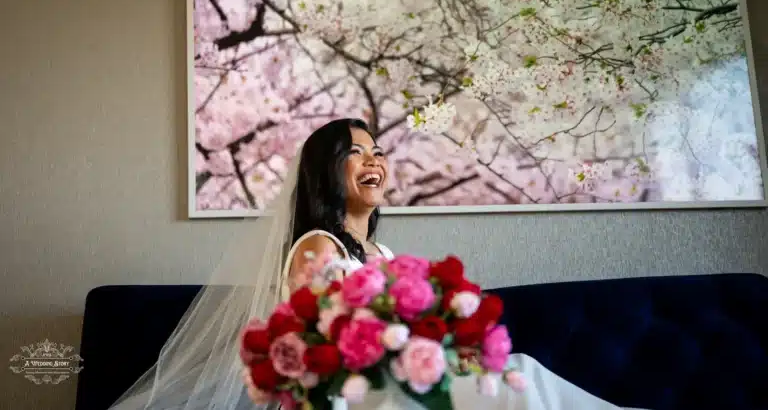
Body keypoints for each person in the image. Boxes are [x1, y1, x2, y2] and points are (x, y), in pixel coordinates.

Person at [111, 118, 647, 410]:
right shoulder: (318, 249)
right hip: (356, 398)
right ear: (327, 173)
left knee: (516, 372)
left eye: (377, 151)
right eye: (355, 152)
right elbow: (322, 351)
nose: (374, 161)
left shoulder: (386, 256)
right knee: (521, 376)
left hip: (399, 388)